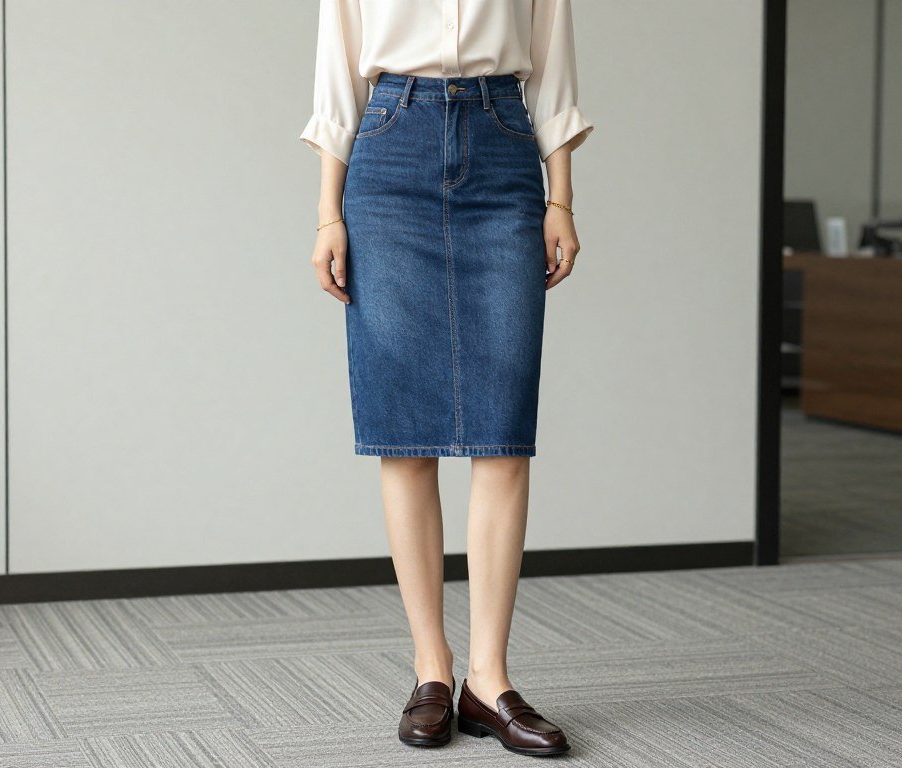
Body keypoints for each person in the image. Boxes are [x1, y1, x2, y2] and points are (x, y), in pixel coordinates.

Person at [300, 0, 592, 756]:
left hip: (503, 146)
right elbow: (339, 71)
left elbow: (552, 66)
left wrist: (561, 197)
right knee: (405, 431)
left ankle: (488, 681)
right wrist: (328, 212)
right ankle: (431, 668)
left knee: (503, 432)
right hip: (390, 149)